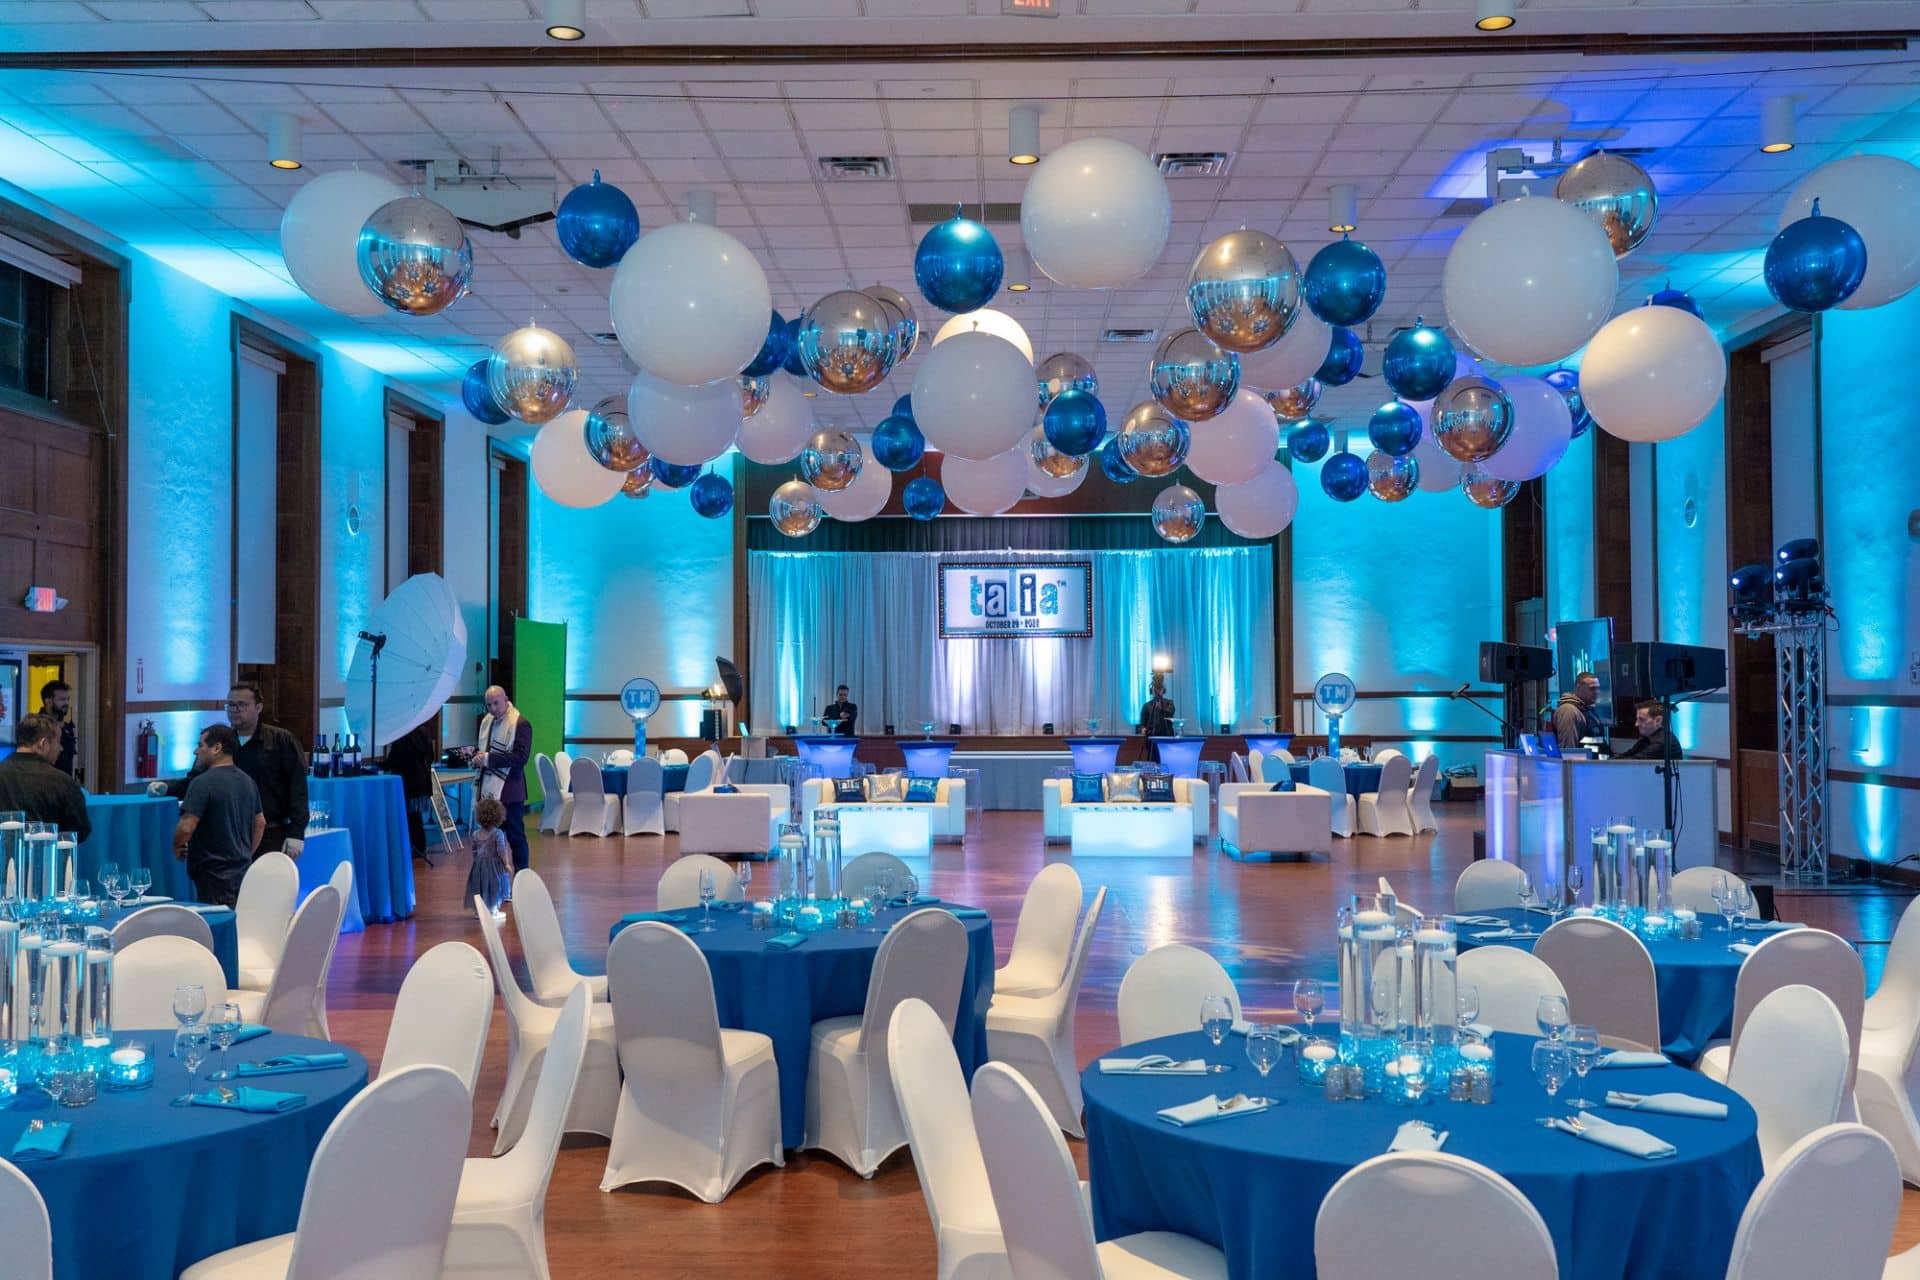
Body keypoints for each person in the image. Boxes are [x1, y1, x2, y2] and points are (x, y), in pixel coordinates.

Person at [154, 682, 307, 854]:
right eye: (231, 705)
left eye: (242, 705)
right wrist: (167, 787)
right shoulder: (219, 741)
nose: (235, 710)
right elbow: (196, 781)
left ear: (258, 707)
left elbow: (298, 788)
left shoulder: (281, 740)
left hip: (270, 832)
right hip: (224, 834)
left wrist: (296, 832)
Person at [172, 723, 264, 908]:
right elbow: (260, 823)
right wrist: (245, 853)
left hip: (212, 875)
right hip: (242, 871)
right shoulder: (248, 781)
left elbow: (186, 826)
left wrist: (177, 847)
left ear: (216, 748)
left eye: (200, 745)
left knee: (216, 928)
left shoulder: (201, 783)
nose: (195, 752)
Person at [0, 714, 90, 840]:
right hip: (47, 856)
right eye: (58, 742)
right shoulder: (62, 782)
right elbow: (80, 830)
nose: (61, 748)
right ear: (43, 743)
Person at [474, 685, 531, 878]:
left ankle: (523, 877)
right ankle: (495, 880)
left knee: (516, 837)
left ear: (505, 699)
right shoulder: (487, 722)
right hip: (489, 790)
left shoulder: (520, 723)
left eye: (496, 703)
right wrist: (477, 758)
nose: (492, 709)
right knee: (490, 839)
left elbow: (521, 758)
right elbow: (484, 750)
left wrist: (489, 759)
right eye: (488, 705)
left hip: (510, 791)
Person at [384, 720, 436, 860]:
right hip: (422, 782)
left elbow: (393, 761)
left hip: (408, 783)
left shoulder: (402, 736)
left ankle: (412, 849)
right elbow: (431, 757)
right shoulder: (424, 732)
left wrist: (380, 765)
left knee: (410, 818)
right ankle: (420, 849)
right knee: (416, 818)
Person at [466, 795, 512, 923]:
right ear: (498, 816)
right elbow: (501, 851)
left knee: (480, 887)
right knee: (495, 887)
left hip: (479, 865)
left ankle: (479, 911)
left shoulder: (476, 833)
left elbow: (474, 850)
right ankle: (492, 910)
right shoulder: (497, 833)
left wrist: (476, 862)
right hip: (494, 866)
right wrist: (506, 864)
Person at [1551, 671, 1605, 751]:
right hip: (1584, 763)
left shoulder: (1587, 709)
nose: (1596, 692)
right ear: (1578, 687)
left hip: (1596, 762)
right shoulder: (1569, 711)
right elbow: (1569, 751)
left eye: (1597, 688)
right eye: (1592, 688)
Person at [1620, 700, 1684, 761]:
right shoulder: (1647, 737)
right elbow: (1628, 754)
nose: (1636, 724)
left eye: (1641, 720)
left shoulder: (1662, 742)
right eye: (1637, 719)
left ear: (1658, 720)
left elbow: (1631, 762)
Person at [37, 680, 76, 777]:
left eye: (68, 699)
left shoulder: (67, 728)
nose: (66, 703)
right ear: (48, 701)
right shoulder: (38, 725)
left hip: (65, 782)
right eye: (62, 700)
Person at [1140, 673, 1176, 739]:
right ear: (1151, 690)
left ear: (1163, 690)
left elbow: (1170, 713)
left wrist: (1160, 699)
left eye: (1159, 688)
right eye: (1156, 688)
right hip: (1151, 737)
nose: (1158, 690)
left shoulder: (1169, 703)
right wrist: (1143, 729)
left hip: (1166, 736)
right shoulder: (1146, 706)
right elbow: (1143, 724)